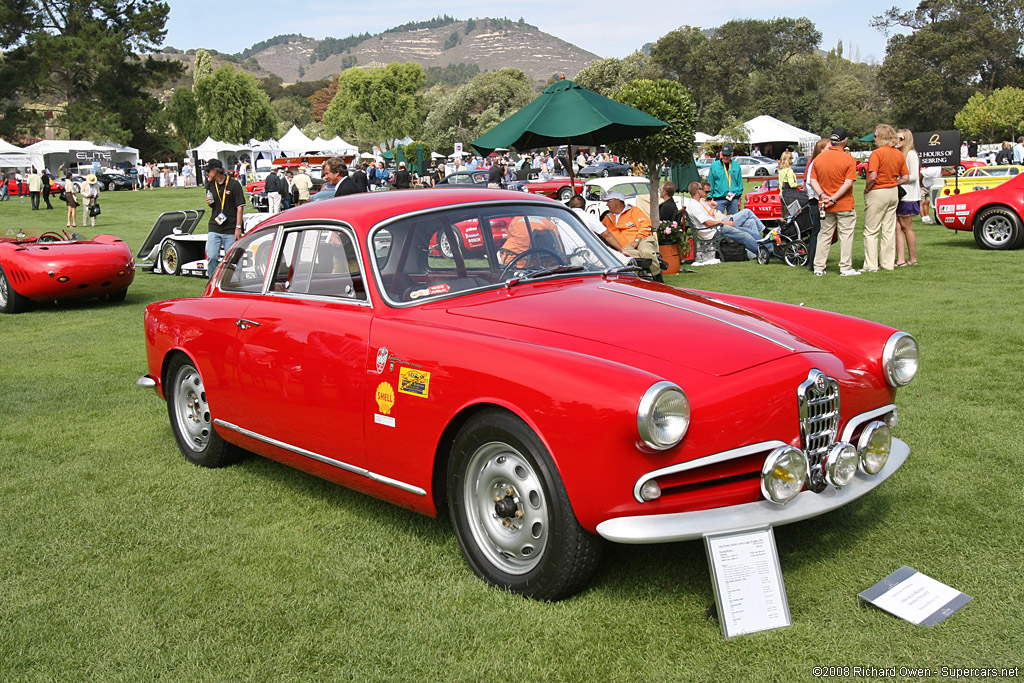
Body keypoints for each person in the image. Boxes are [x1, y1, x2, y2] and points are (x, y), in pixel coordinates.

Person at [810, 127, 859, 276]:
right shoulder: (848, 159)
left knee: (824, 234)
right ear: (845, 141)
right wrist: (833, 198)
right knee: (846, 235)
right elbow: (848, 183)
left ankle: (819, 266)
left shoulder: (819, 158)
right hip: (843, 203)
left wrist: (823, 195)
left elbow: (813, 180)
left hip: (824, 203)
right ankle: (845, 267)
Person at [863, 124, 909, 272]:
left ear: (881, 137)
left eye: (876, 136)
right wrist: (893, 182)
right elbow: (906, 177)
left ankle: (871, 265)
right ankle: (888, 263)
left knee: (871, 230)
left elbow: (873, 176)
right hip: (892, 191)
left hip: (878, 191)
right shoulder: (898, 154)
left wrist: (867, 188)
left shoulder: (877, 154)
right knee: (889, 229)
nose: (874, 139)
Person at [685, 182, 762, 259]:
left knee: (746, 230)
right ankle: (763, 252)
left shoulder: (697, 204)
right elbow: (708, 222)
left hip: (716, 227)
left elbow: (709, 219)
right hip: (715, 231)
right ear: (698, 191)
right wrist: (725, 223)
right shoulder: (695, 206)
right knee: (744, 235)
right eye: (702, 189)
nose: (706, 192)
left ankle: (768, 245)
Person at [601, 192, 662, 280]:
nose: (606, 204)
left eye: (608, 201)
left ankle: (657, 276)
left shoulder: (634, 211)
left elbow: (646, 225)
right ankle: (655, 264)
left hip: (642, 239)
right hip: (625, 247)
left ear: (617, 201)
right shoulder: (607, 219)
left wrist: (637, 240)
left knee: (646, 252)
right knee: (636, 256)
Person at [203, 159, 245, 278]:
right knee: (211, 257)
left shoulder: (234, 184)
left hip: (231, 227)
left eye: (208, 171)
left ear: (216, 171)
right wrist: (209, 203)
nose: (207, 173)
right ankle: (212, 283)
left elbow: (240, 207)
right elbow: (213, 204)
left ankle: (235, 283)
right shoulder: (210, 185)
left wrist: (238, 227)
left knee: (233, 259)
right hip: (215, 226)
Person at [895, 129, 920, 267]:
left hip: (908, 196)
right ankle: (901, 259)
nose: (898, 142)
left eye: (901, 139)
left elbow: (914, 176)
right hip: (901, 195)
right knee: (897, 227)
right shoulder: (901, 154)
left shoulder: (911, 154)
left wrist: (897, 180)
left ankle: (913, 258)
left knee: (907, 227)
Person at [803, 138, 830, 270]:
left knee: (821, 231)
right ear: (821, 150)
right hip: (816, 200)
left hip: (820, 199)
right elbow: (810, 182)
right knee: (817, 231)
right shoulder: (815, 162)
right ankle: (814, 262)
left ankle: (818, 260)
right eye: (828, 149)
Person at [707, 144, 743, 215]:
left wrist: (739, 197)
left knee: (733, 219)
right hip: (719, 198)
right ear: (721, 154)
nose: (726, 157)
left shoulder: (736, 165)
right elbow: (711, 182)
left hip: (733, 198)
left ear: (732, 154)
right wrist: (709, 197)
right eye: (724, 155)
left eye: (728, 155)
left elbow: (739, 182)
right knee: (718, 220)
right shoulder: (714, 166)